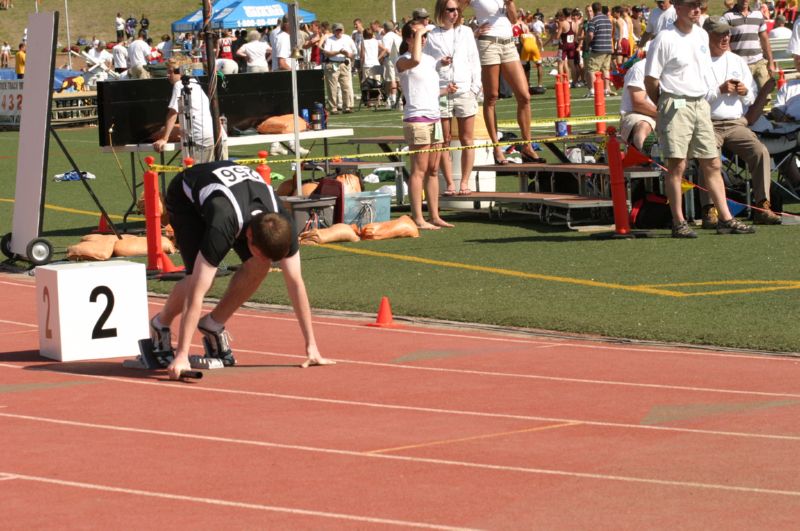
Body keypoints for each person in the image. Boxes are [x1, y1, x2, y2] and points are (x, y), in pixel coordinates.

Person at [152, 158, 334, 380]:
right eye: (260, 252)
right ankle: (160, 324)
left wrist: (311, 346)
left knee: (260, 265)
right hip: (187, 198)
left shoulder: (283, 221)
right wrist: (182, 355)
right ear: (248, 237)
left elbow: (296, 282)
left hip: (239, 198)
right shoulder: (223, 222)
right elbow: (196, 294)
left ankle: (212, 323)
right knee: (198, 279)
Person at [645, 0, 756, 237]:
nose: (697, 10)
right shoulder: (664, 38)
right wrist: (664, 105)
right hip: (676, 102)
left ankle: (725, 218)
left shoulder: (700, 35)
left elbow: (703, 72)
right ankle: (678, 221)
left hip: (700, 103)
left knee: (712, 162)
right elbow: (651, 80)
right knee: (677, 164)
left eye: (700, 5)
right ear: (678, 6)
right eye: (692, 5)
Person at [701, 16, 780, 225]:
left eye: (727, 33)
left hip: (736, 123)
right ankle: (710, 209)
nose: (726, 37)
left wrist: (745, 92)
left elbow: (752, 96)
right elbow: (695, 96)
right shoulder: (698, 61)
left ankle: (762, 205)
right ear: (707, 36)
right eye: (720, 34)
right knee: (709, 156)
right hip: (708, 122)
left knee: (760, 152)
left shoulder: (737, 60)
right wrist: (719, 90)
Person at [457, 0, 543, 165]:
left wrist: (510, 4)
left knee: (524, 95)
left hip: (509, 43)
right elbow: (453, 11)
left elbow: (512, 19)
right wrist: (472, 31)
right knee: (492, 96)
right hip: (488, 43)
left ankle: (527, 146)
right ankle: (496, 149)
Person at [397, 21, 456, 229]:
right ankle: (418, 218)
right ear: (408, 39)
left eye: (424, 36)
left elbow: (429, 90)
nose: (423, 39)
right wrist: (422, 29)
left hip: (434, 117)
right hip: (417, 118)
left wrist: (445, 90)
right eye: (418, 35)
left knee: (433, 170)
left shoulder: (430, 60)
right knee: (418, 170)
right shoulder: (404, 60)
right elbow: (414, 59)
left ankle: (435, 215)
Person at [425, 0, 482, 195]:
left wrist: (475, 89)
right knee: (444, 140)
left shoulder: (465, 32)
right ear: (442, 11)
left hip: (465, 90)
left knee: (467, 138)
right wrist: (439, 63)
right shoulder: (432, 35)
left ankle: (465, 182)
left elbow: (474, 60)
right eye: (450, 10)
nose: (454, 13)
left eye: (457, 9)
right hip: (442, 91)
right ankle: (449, 183)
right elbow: (425, 64)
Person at [153, 58, 215, 164]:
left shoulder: (179, 85)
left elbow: (173, 113)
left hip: (197, 139)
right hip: (208, 136)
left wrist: (164, 138)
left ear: (180, 72)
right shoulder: (196, 84)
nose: (168, 75)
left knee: (192, 176)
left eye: (170, 72)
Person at [723, 0, 776, 89]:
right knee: (743, 98)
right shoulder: (727, 17)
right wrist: (732, 63)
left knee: (765, 95)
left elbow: (765, 40)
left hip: (759, 63)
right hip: (739, 65)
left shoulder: (758, 15)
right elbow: (726, 43)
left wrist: (771, 62)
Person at [619, 56, 657, 150]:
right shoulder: (640, 68)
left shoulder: (675, 67)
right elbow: (638, 103)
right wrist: (663, 114)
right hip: (638, 113)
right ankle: (645, 156)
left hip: (667, 111)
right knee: (643, 125)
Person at [322, 22, 357, 114]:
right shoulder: (329, 39)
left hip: (344, 63)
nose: (339, 32)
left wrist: (348, 54)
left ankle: (347, 106)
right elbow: (326, 53)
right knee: (332, 88)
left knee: (346, 86)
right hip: (332, 64)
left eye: (340, 30)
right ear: (333, 31)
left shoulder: (348, 38)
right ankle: (333, 108)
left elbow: (354, 53)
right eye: (337, 30)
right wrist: (338, 52)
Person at [585, 1, 614, 96]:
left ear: (593, 10)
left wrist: (587, 43)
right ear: (601, 9)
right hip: (608, 47)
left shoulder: (593, 20)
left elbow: (590, 34)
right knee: (605, 69)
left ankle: (593, 90)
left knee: (592, 69)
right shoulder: (607, 19)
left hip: (597, 47)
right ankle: (606, 89)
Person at [381, 21, 403, 109]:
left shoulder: (385, 37)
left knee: (392, 79)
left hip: (390, 59)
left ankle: (393, 98)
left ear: (385, 29)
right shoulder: (398, 37)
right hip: (398, 59)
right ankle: (400, 99)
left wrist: (380, 58)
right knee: (398, 79)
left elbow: (386, 49)